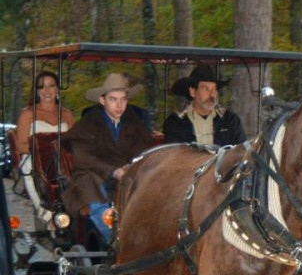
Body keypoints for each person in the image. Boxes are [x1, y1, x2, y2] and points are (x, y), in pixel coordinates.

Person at [61, 73, 151, 217]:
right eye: (113, 99)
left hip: (127, 174)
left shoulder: (135, 124)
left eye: (123, 99)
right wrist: (113, 171)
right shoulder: (86, 125)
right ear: (102, 100)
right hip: (92, 174)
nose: (119, 105)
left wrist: (130, 166)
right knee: (91, 189)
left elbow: (142, 151)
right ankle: (110, 235)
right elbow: (84, 159)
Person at [15, 71, 75, 224]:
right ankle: (46, 215)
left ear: (57, 89)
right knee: (27, 165)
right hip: (37, 159)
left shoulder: (66, 114)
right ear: (36, 91)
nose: (47, 91)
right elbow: (22, 145)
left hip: (63, 160)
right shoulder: (28, 114)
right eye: (41, 87)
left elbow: (75, 142)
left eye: (51, 86)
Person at [163, 65, 246, 146]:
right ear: (192, 92)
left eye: (214, 89)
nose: (212, 95)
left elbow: (241, 154)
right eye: (205, 89)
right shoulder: (176, 123)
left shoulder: (230, 121)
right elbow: (175, 157)